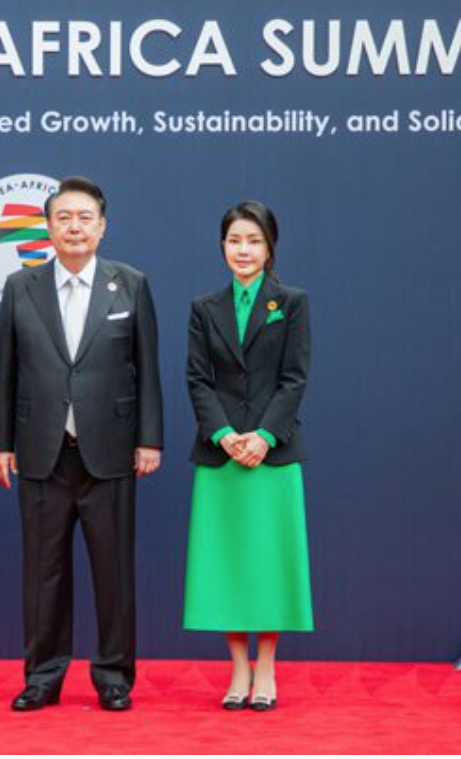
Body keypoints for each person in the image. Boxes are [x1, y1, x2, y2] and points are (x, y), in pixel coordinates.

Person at [0, 176, 163, 712]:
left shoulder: (129, 283)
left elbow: (146, 367)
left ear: (103, 226)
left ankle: (113, 676)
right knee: (43, 573)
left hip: (109, 449)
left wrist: (149, 439)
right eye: (64, 216)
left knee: (113, 572)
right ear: (48, 226)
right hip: (41, 449)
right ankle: (43, 676)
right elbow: (5, 370)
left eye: (85, 216)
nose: (75, 226)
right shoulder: (22, 286)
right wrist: (0, 443)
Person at [183, 200, 313, 712]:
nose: (243, 250)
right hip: (222, 459)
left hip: (272, 456)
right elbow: (197, 379)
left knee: (269, 565)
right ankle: (238, 668)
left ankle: (267, 668)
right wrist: (223, 436)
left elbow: (295, 378)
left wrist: (262, 436)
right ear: (223, 247)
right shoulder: (204, 308)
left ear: (269, 247)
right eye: (235, 241)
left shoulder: (293, 302)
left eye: (253, 241)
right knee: (229, 566)